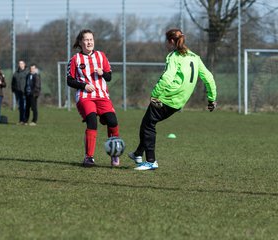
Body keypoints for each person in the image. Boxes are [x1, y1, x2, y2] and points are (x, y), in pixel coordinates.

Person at [129, 28, 217, 171]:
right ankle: (138, 154)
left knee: (148, 125)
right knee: (148, 123)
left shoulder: (174, 56)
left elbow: (167, 77)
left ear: (171, 41)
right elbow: (209, 78)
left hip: (167, 97)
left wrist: (155, 94)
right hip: (179, 101)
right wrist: (212, 99)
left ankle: (151, 161)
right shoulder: (195, 57)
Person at [67, 29, 121, 167]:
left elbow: (109, 77)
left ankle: (114, 154)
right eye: (86, 39)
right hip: (85, 97)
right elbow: (69, 80)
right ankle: (89, 157)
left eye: (91, 39)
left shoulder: (101, 56)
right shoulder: (75, 59)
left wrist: (102, 72)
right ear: (80, 42)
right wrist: (84, 86)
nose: (89, 42)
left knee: (112, 121)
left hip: (102, 95)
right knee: (92, 121)